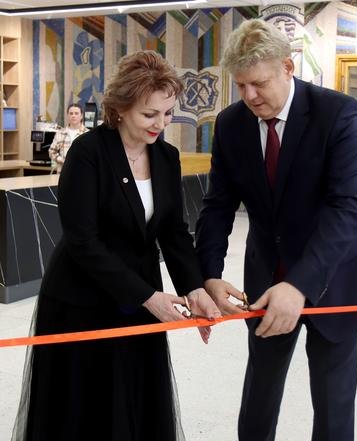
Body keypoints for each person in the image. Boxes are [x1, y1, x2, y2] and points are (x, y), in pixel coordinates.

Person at [195, 19, 357, 441]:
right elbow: (218, 205)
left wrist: (300, 285)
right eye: (241, 85)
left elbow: (346, 208)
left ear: (287, 67)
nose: (250, 96)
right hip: (266, 276)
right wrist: (209, 274)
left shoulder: (337, 114)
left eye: (259, 83)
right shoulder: (230, 124)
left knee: (334, 403)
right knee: (259, 394)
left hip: (334, 277)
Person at [12, 50, 221, 441]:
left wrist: (195, 289)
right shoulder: (88, 152)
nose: (161, 124)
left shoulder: (166, 156)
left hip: (141, 295)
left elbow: (173, 232)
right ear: (121, 108)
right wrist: (148, 297)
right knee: (86, 406)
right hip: (84, 298)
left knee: (135, 398)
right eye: (149, 114)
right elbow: (82, 241)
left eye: (167, 113)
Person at [48, 103, 89, 172]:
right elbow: (52, 151)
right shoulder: (60, 133)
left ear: (81, 116)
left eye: (76, 113)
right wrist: (63, 161)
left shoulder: (87, 134)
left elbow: (91, 155)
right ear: (67, 115)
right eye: (71, 113)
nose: (73, 116)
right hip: (63, 171)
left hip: (82, 172)